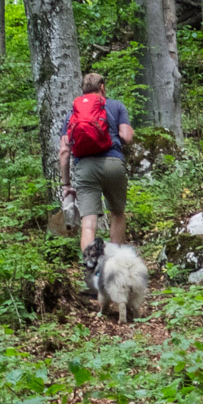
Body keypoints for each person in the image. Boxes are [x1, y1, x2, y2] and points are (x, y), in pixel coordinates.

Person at [58, 72, 134, 293]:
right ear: (102, 86)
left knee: (89, 223)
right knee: (117, 213)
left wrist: (66, 184)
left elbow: (64, 151)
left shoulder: (73, 112)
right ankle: (117, 273)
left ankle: (92, 280)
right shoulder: (116, 106)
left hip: (84, 167)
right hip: (113, 162)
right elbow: (127, 136)